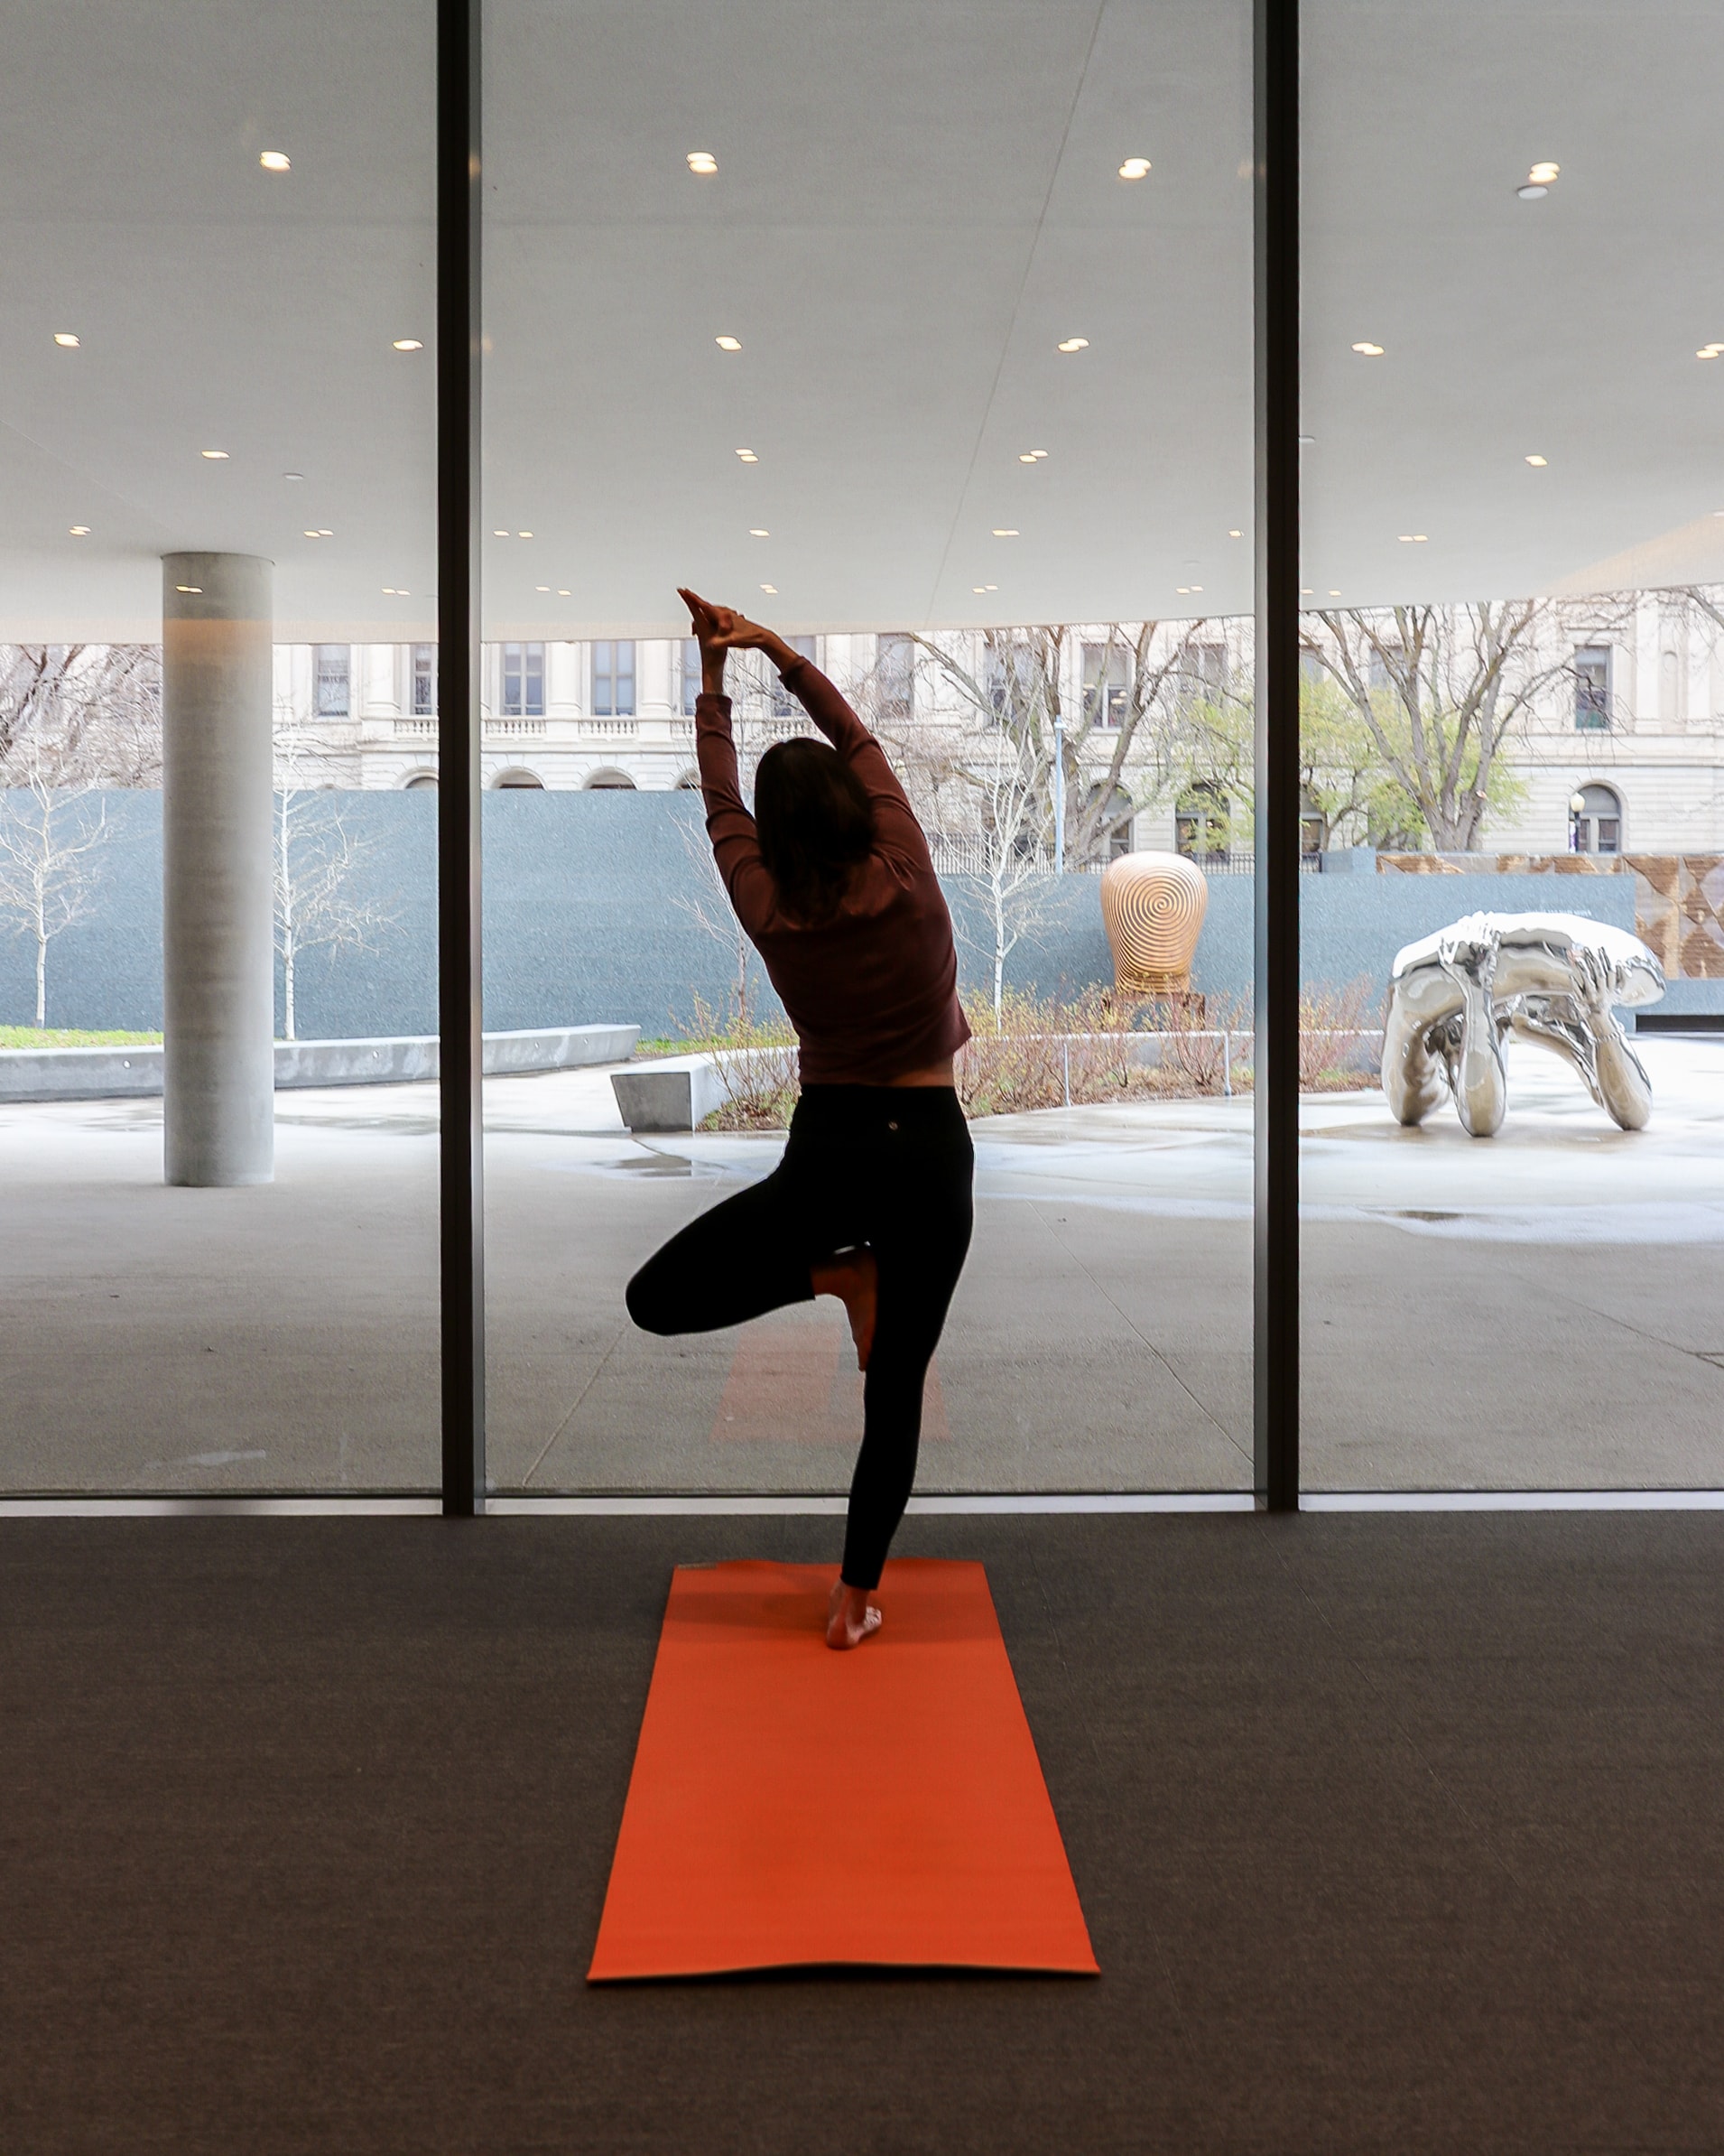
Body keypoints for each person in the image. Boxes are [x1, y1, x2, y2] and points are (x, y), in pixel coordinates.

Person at [626, 590, 975, 1650]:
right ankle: (853, 1597)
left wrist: (711, 681)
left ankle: (833, 1275)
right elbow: (857, 739)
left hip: (829, 1153)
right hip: (926, 1152)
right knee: (895, 1386)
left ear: (775, 838)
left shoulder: (766, 905)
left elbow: (717, 799)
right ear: (856, 810)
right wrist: (773, 649)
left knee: (656, 1297)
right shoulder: (906, 868)